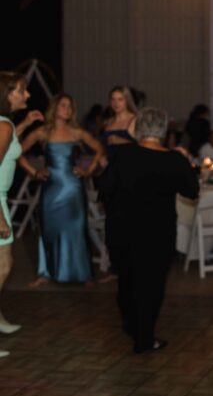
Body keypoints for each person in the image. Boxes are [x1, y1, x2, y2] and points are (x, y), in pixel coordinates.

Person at [99, 108, 199, 353]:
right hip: (157, 233)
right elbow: (191, 191)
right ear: (164, 131)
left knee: (126, 280)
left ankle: (131, 324)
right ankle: (144, 338)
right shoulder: (174, 160)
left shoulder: (123, 155)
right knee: (151, 286)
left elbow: (104, 188)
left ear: (139, 129)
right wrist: (186, 160)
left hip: (121, 229)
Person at [19, 94, 104, 286]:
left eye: (70, 106)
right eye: (63, 105)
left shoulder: (77, 132)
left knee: (77, 229)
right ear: (54, 108)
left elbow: (100, 148)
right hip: (51, 189)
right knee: (50, 229)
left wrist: (88, 171)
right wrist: (34, 172)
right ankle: (46, 272)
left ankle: (84, 274)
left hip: (73, 189)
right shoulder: (42, 132)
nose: (67, 109)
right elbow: (17, 152)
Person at [0, 72, 44, 357]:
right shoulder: (3, 125)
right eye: (21, 90)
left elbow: (8, 148)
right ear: (7, 94)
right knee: (3, 266)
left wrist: (26, 123)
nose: (26, 95)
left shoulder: (5, 124)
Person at [100, 86, 137, 160]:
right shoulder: (108, 122)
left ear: (127, 101)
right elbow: (104, 147)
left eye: (120, 99)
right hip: (111, 164)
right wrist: (103, 156)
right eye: (113, 99)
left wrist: (120, 140)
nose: (116, 103)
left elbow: (143, 146)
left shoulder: (135, 120)